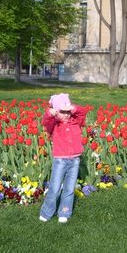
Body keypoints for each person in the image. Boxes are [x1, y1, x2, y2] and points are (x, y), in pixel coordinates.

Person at [39, 93, 88, 223]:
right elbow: (45, 122)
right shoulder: (55, 124)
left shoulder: (75, 121)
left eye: (68, 112)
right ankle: (47, 212)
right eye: (62, 112)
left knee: (69, 188)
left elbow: (83, 113)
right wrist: (50, 113)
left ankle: (64, 212)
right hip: (60, 160)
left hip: (75, 160)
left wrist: (74, 108)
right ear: (56, 112)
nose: (66, 114)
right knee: (54, 188)